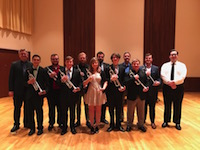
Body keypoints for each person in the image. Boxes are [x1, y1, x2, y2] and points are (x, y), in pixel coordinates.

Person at [161, 49, 187, 130]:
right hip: (167, 87)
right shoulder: (165, 65)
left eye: (175, 54)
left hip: (178, 87)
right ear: (169, 56)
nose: (173, 56)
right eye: (172, 54)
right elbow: (162, 75)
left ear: (177, 56)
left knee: (178, 105)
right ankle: (166, 121)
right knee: (167, 104)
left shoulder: (182, 65)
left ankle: (177, 122)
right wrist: (169, 83)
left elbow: (183, 76)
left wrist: (174, 82)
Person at [8, 49, 32, 133]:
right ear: (19, 55)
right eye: (22, 54)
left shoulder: (31, 64)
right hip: (17, 90)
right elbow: (11, 78)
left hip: (28, 90)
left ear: (27, 55)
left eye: (25, 54)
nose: (23, 55)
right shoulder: (14, 65)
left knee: (27, 108)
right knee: (17, 108)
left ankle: (27, 123)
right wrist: (11, 90)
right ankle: (16, 124)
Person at [25, 54, 49, 136]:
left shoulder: (43, 70)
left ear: (39, 61)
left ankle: (40, 128)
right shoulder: (27, 70)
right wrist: (28, 82)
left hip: (39, 95)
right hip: (29, 96)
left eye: (37, 60)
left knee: (39, 112)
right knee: (30, 112)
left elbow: (47, 83)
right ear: (32, 61)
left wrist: (45, 91)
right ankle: (32, 128)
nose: (36, 61)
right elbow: (23, 84)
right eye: (34, 60)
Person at [83, 57, 108, 134]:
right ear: (91, 64)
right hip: (91, 91)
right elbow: (83, 84)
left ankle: (97, 125)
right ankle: (91, 125)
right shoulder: (87, 72)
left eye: (96, 63)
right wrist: (88, 79)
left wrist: (103, 88)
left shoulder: (101, 72)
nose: (94, 64)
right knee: (90, 110)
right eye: (93, 63)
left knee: (98, 109)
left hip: (98, 91)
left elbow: (105, 81)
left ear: (98, 64)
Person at [125, 59, 149, 132]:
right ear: (132, 65)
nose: (136, 65)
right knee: (130, 112)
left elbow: (147, 82)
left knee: (141, 112)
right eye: (134, 64)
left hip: (141, 96)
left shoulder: (143, 73)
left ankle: (141, 124)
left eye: (137, 64)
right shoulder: (128, 73)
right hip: (131, 96)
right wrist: (133, 78)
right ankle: (129, 125)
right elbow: (126, 82)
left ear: (139, 65)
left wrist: (146, 87)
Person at [60, 56, 82, 135]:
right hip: (63, 96)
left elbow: (80, 82)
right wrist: (61, 81)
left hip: (73, 95)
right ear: (65, 63)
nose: (69, 63)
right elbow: (57, 83)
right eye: (67, 62)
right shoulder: (61, 71)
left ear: (72, 63)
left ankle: (72, 127)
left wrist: (78, 88)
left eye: (70, 62)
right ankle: (64, 128)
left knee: (72, 112)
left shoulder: (76, 71)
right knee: (64, 112)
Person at [106, 53, 126, 132]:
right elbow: (105, 79)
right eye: (113, 58)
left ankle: (118, 125)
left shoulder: (122, 68)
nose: (115, 59)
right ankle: (111, 125)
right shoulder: (108, 68)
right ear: (111, 59)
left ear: (118, 59)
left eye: (116, 58)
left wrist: (123, 86)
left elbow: (124, 79)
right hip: (110, 92)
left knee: (119, 108)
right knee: (111, 109)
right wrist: (111, 79)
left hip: (119, 92)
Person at [141, 53, 161, 129]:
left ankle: (152, 122)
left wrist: (158, 82)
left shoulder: (156, 68)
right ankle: (143, 121)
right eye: (146, 58)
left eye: (149, 58)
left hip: (153, 91)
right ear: (145, 59)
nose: (148, 60)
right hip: (144, 91)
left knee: (152, 107)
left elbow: (158, 78)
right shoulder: (141, 68)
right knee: (144, 107)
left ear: (152, 59)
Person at [45, 54, 64, 131]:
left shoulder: (62, 68)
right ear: (51, 60)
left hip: (60, 92)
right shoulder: (47, 69)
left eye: (56, 59)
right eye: (53, 59)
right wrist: (49, 76)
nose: (55, 60)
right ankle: (51, 123)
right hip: (51, 92)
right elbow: (45, 81)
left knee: (60, 109)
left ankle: (60, 122)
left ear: (58, 59)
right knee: (51, 109)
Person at [74, 52, 91, 128]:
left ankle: (88, 120)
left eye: (83, 58)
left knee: (87, 106)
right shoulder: (75, 67)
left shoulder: (89, 67)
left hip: (87, 89)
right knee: (78, 106)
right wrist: (78, 74)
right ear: (79, 58)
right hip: (79, 89)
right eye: (81, 58)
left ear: (86, 58)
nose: (82, 59)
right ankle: (78, 121)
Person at [96, 51, 109, 124]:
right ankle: (95, 118)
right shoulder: (94, 65)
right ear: (97, 57)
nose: (100, 58)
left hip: (104, 87)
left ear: (103, 57)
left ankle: (103, 118)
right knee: (96, 103)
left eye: (102, 57)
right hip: (95, 87)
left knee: (104, 104)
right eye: (99, 57)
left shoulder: (107, 66)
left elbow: (107, 77)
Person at [119, 52, 132, 122]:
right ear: (123, 57)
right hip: (123, 86)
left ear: (130, 57)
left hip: (130, 87)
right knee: (121, 103)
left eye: (128, 56)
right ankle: (121, 117)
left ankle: (129, 119)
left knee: (131, 104)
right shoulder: (120, 66)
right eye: (125, 56)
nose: (127, 57)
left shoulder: (132, 66)